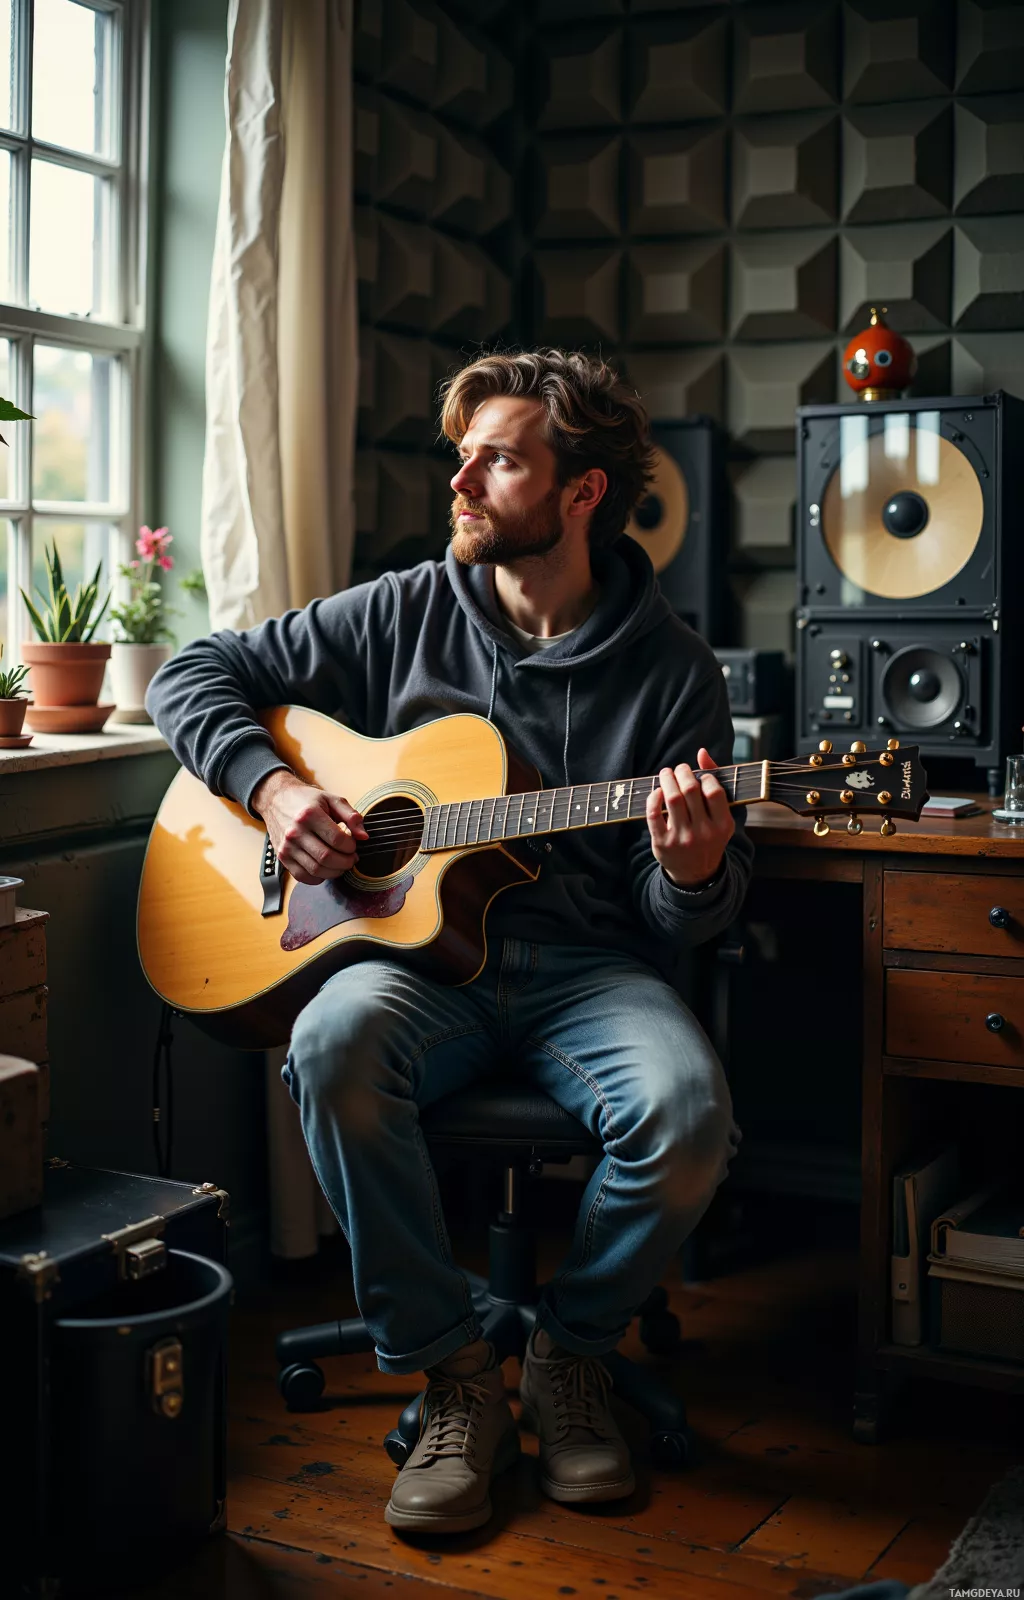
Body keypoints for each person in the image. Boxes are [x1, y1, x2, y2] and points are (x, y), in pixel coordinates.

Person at [147, 348, 751, 1536]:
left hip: (589, 974)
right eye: (461, 453)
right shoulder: (407, 607)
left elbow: (688, 907)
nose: (461, 480)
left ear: (580, 493)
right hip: (419, 971)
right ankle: (452, 1374)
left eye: (498, 458)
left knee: (690, 1119)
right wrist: (272, 792)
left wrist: (690, 868)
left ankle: (569, 1355)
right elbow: (190, 672)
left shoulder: (674, 671)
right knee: (329, 1048)